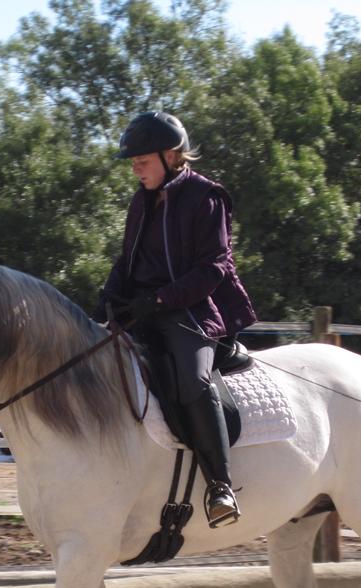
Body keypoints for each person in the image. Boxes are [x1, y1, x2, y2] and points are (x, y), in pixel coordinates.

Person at [93, 110, 256, 528]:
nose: (135, 169)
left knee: (194, 381)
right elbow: (127, 260)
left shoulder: (207, 197)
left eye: (141, 162)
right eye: (133, 163)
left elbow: (215, 266)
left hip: (192, 311)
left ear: (170, 155)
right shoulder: (141, 201)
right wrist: (107, 299)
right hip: (142, 309)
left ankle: (220, 485)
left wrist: (163, 298)